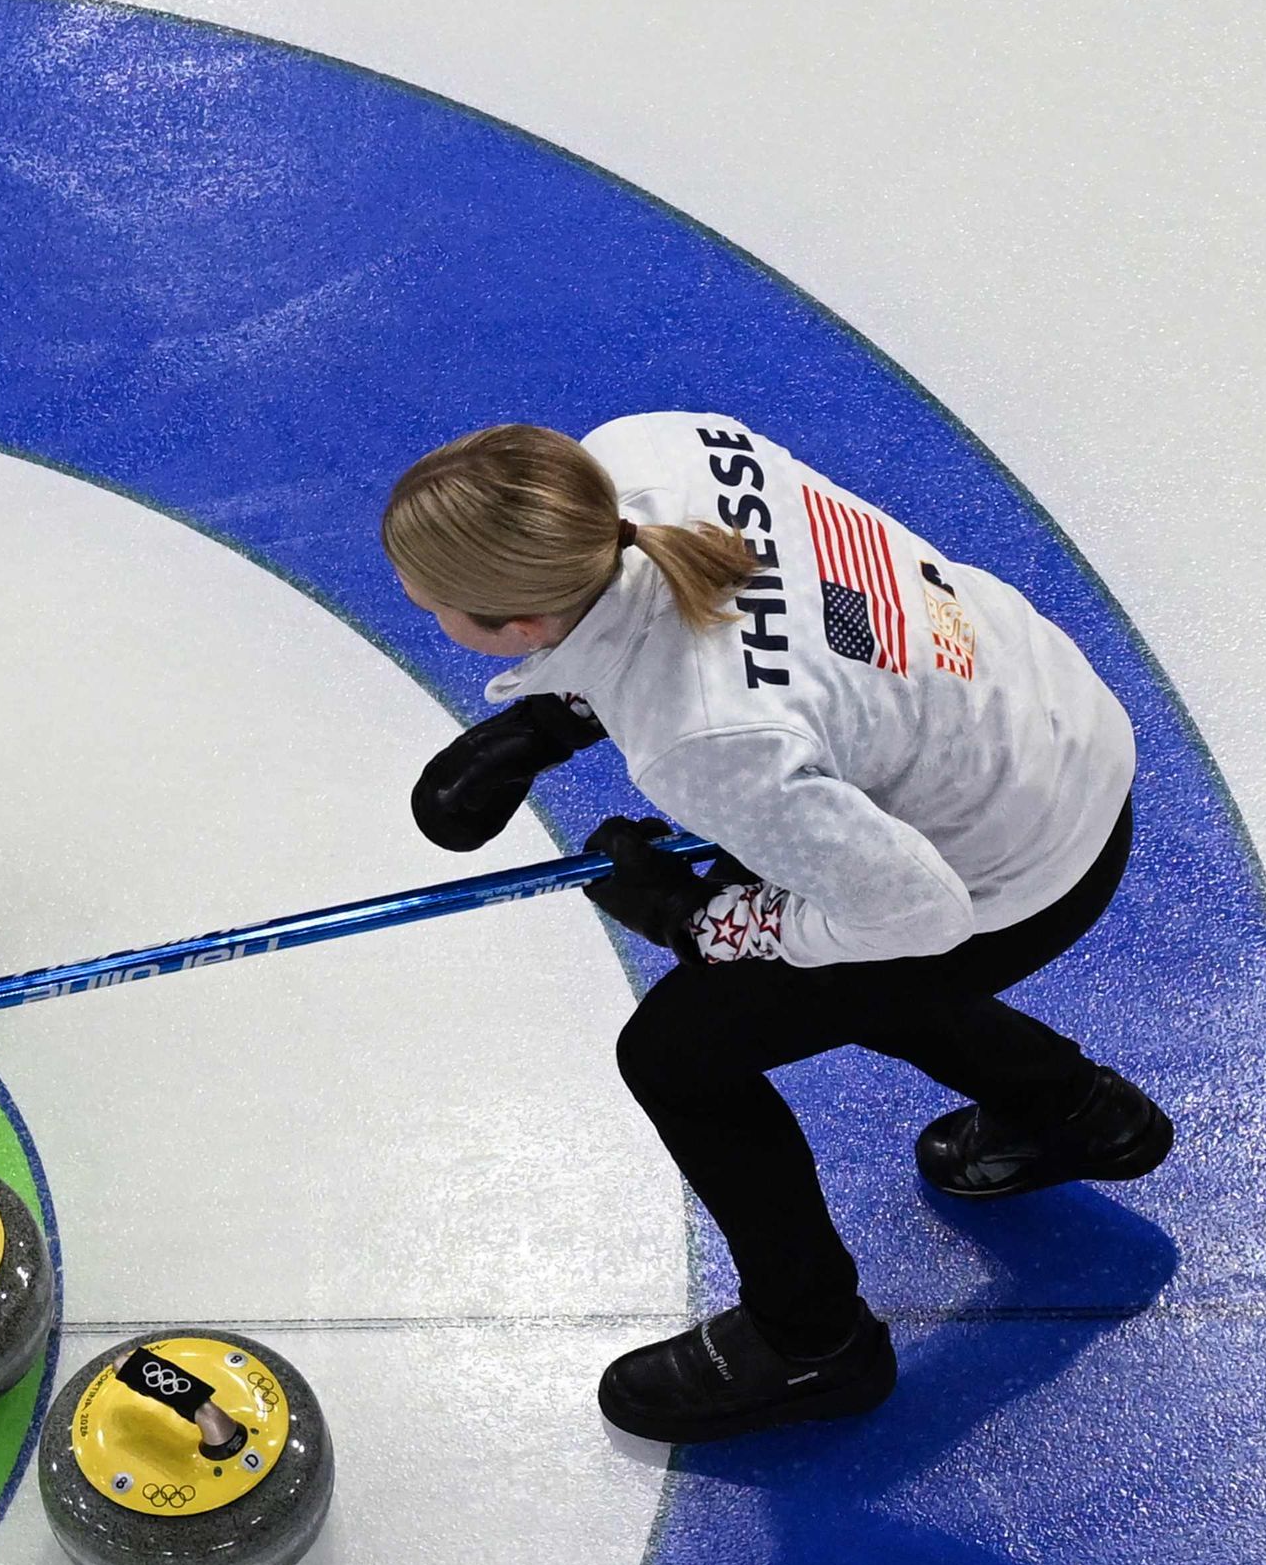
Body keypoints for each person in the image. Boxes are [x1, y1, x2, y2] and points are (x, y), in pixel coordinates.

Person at [382, 416, 1166, 1442]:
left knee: (679, 1054)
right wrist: (550, 718)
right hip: (1041, 726)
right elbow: (737, 612)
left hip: (1001, 864)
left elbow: (911, 916)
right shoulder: (653, 447)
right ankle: (1071, 1111)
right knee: (814, 970)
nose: (428, 611)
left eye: (437, 606)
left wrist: (700, 918)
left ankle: (812, 1346)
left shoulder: (707, 745)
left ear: (518, 625)